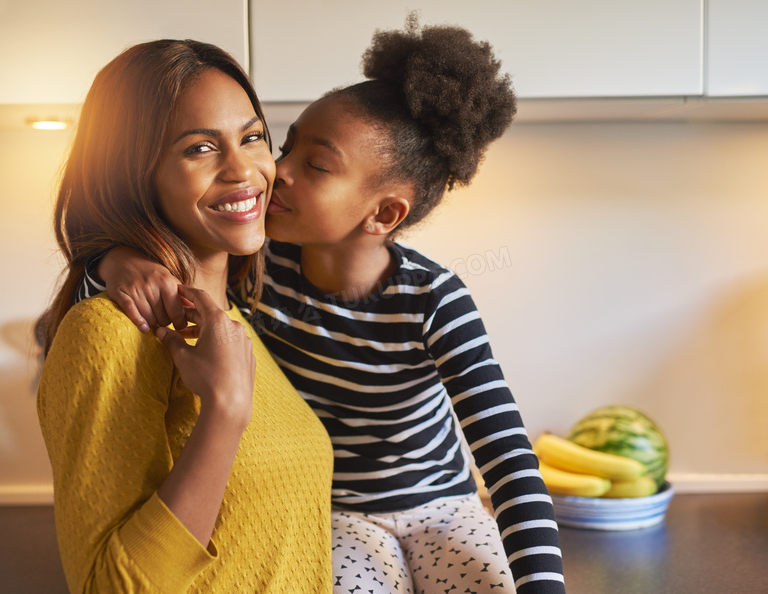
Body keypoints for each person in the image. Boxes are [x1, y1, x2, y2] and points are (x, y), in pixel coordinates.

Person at [85, 19, 566, 594]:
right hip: (335, 514)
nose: (276, 171)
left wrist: (542, 585)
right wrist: (112, 261)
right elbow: (111, 305)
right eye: (285, 145)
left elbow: (509, 458)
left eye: (315, 165)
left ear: (384, 215)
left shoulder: (434, 301)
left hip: (444, 506)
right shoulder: (254, 267)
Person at [35, 39, 334, 593]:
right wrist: (224, 412)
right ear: (132, 173)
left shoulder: (239, 322)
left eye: (252, 137)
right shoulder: (107, 334)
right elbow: (108, 586)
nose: (244, 170)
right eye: (200, 148)